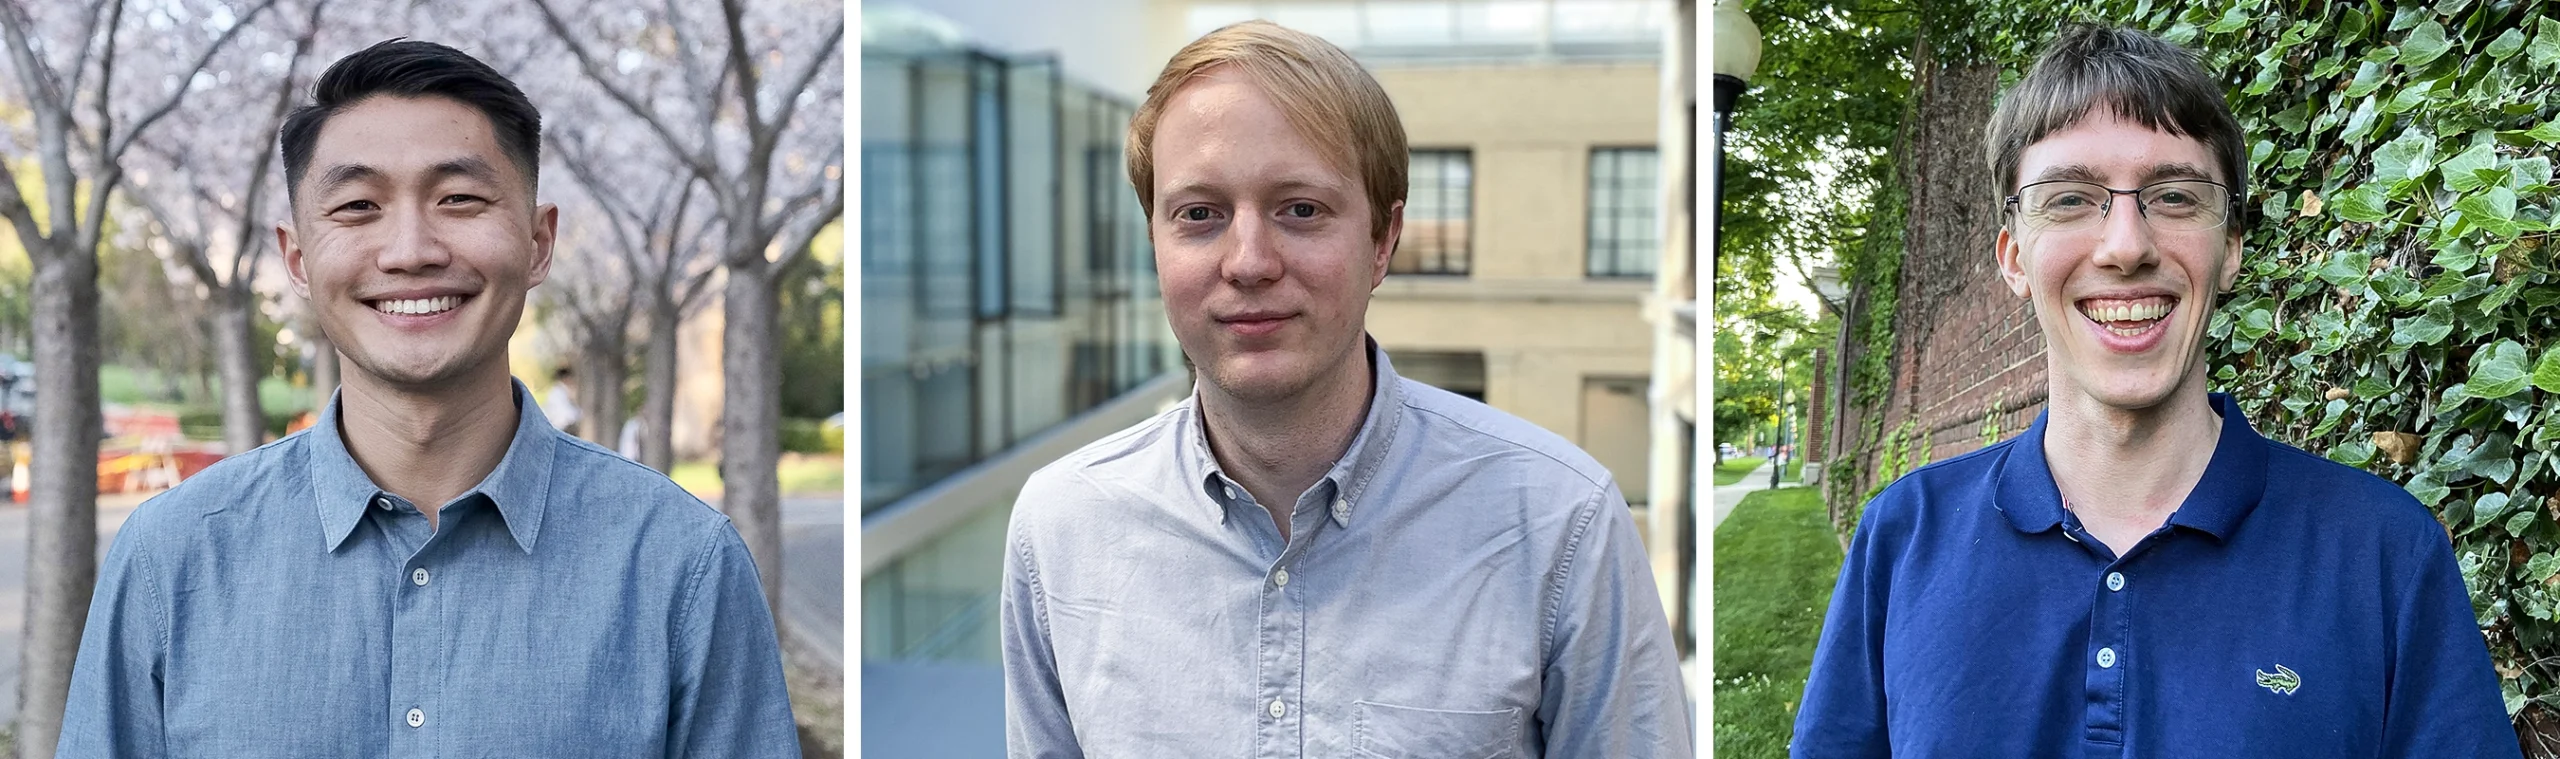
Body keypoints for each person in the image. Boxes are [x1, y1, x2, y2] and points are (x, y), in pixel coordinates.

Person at [1790, 25, 2518, 758]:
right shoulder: (1903, 538)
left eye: (2173, 195)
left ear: (2229, 246)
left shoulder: (2384, 553)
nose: (2125, 245)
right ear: (2014, 257)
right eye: (2070, 198)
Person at [56, 39, 799, 756]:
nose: (411, 249)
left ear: (539, 243)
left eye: (460, 198)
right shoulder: (171, 558)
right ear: (297, 257)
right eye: (357, 207)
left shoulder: (683, 563)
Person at [1000, 20, 1691, 758]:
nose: (1250, 261)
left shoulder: (1560, 522)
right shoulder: (1060, 527)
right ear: (1155, 244)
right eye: (1199, 214)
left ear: (1383, 241)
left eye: (1301, 209)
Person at [543, 364, 581, 434]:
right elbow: (566, 414)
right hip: (563, 427)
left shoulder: (558, 391)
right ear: (565, 378)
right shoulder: (559, 391)